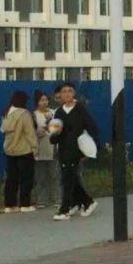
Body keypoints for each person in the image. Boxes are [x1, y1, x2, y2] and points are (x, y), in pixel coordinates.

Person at [50, 82, 100, 221]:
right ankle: (84, 202)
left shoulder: (80, 110)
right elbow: (53, 138)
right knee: (70, 178)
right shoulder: (59, 112)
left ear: (74, 93)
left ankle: (64, 210)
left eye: (70, 91)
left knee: (68, 180)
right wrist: (56, 132)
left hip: (76, 150)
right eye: (64, 91)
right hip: (63, 150)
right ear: (60, 95)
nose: (67, 94)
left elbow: (93, 129)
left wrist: (89, 151)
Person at [1, 90, 37, 213]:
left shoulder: (6, 113)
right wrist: (35, 148)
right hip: (24, 150)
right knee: (26, 179)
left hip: (9, 150)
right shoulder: (24, 114)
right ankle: (25, 204)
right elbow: (29, 133)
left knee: (11, 179)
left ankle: (9, 205)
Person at [32, 91, 59, 209]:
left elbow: (58, 129)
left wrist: (51, 123)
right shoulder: (33, 115)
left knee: (55, 175)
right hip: (39, 149)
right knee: (40, 177)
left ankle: (57, 199)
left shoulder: (53, 113)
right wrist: (44, 128)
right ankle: (42, 201)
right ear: (37, 102)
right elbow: (33, 133)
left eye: (46, 100)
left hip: (53, 149)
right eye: (41, 100)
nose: (44, 102)